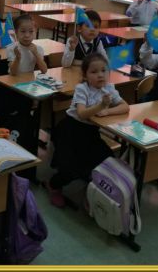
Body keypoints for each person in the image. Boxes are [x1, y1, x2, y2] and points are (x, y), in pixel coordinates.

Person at [48, 53, 129, 208]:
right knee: (70, 167)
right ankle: (54, 186)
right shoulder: (82, 89)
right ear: (85, 76)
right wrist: (100, 106)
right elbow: (81, 113)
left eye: (103, 70)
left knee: (107, 160)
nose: (100, 75)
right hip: (71, 131)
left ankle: (93, 190)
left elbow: (125, 106)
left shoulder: (109, 88)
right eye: (94, 72)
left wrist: (107, 111)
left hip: (90, 133)